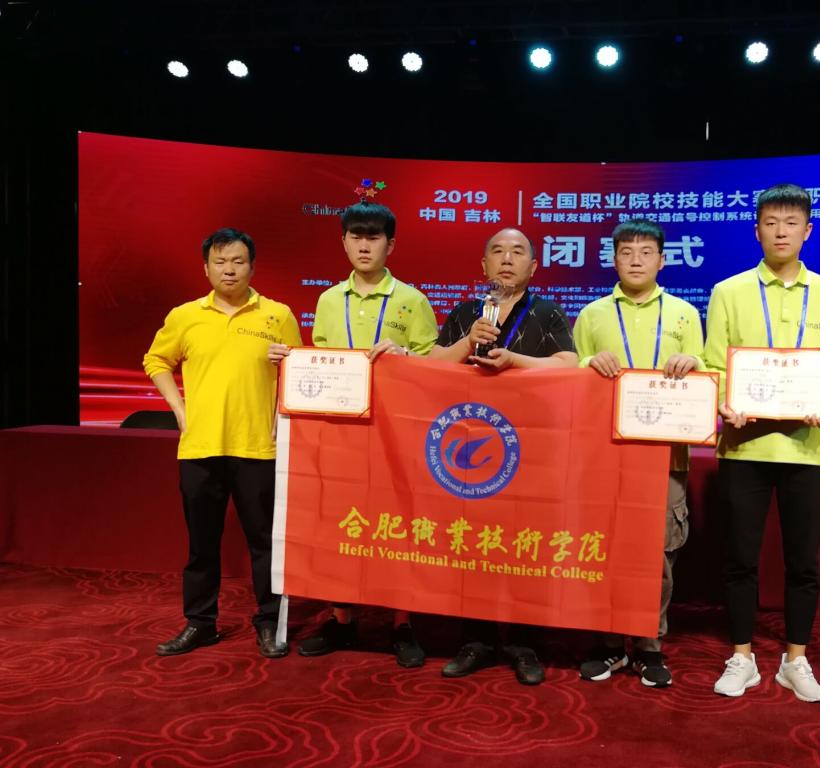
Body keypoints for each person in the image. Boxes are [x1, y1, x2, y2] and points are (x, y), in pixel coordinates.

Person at [269, 200, 438, 667]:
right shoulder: (328, 300)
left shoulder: (412, 300)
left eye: (374, 237)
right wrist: (289, 360)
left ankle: (402, 623)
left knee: (398, 524)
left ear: (391, 245)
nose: (365, 246)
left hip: (396, 434)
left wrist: (406, 356)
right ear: (343, 242)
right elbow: (319, 361)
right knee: (340, 524)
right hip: (340, 434)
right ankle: (342, 619)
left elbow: (434, 367)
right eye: (356, 237)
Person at [704, 184, 820, 702]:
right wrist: (726, 400)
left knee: (803, 561)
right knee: (740, 557)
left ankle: (796, 659)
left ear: (808, 230)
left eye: (791, 223)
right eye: (771, 223)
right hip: (744, 445)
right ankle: (742, 657)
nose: (781, 232)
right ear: (757, 231)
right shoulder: (728, 291)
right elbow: (714, 365)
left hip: (809, 446)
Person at [144, 227, 302, 658]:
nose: (229, 269)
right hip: (200, 447)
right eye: (220, 261)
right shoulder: (185, 316)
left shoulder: (277, 315)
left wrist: (282, 402)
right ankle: (200, 623)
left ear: (252, 267)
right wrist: (179, 408)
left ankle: (269, 623)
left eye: (237, 261)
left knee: (265, 544)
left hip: (258, 446)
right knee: (201, 543)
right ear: (206, 268)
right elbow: (156, 359)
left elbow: (299, 371)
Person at [431, 226, 578, 685]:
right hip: (470, 450)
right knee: (473, 543)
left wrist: (514, 361)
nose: (507, 259)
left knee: (524, 544)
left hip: (531, 449)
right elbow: (432, 366)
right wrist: (466, 342)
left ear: (533, 267)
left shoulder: (548, 312)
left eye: (518, 252)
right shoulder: (466, 312)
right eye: (498, 251)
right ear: (484, 266)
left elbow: (568, 364)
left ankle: (523, 643)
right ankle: (475, 641)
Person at [572, 218, 704, 689]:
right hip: (607, 453)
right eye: (626, 252)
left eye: (646, 252)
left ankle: (649, 644)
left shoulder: (685, 314)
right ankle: (609, 643)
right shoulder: (592, 315)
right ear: (613, 259)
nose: (635, 260)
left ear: (662, 260)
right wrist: (588, 362)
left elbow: (705, 372)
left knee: (658, 553)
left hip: (666, 454)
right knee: (606, 547)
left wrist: (694, 363)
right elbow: (571, 378)